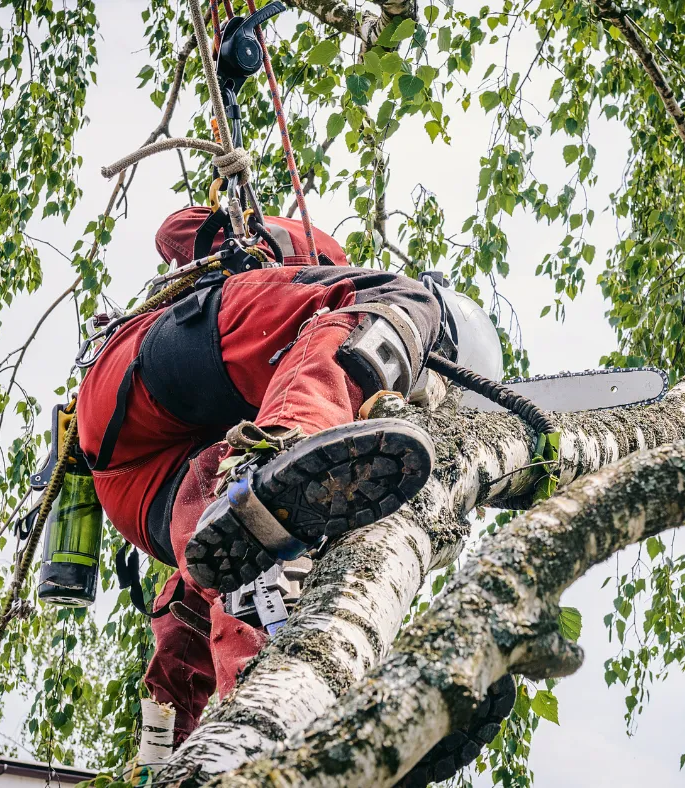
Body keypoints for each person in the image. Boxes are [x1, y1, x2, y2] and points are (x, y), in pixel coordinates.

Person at [76, 205, 441, 741]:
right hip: (161, 364)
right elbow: (173, 231)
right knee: (398, 298)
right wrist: (242, 234)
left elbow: (205, 588)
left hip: (145, 485)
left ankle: (208, 737)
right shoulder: (322, 256)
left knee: (255, 559)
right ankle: (280, 447)